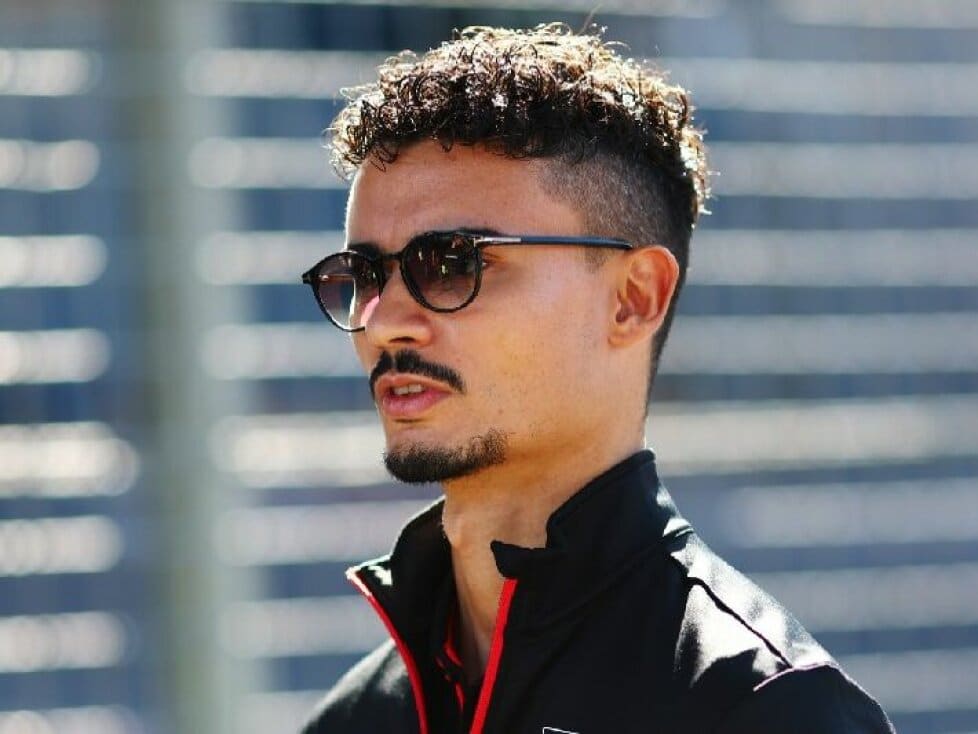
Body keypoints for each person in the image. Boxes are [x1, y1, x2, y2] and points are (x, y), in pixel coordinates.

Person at [299, 24, 895, 734]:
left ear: (633, 298)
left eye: (452, 263)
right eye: (365, 274)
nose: (386, 323)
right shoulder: (353, 720)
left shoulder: (767, 709)